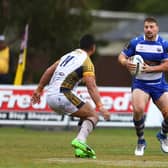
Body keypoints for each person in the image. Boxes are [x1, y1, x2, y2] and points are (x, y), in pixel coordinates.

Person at [31, 34, 110, 159]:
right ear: (93, 48)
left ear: (80, 45)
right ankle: (80, 140)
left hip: (50, 97)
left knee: (85, 114)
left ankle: (80, 150)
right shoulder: (87, 62)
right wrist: (100, 106)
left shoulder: (67, 56)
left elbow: (48, 71)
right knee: (93, 115)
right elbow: (91, 86)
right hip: (63, 95)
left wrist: (39, 89)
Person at [118, 17, 168, 156]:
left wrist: (150, 69)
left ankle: (163, 135)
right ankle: (141, 141)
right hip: (141, 84)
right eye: (146, 27)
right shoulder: (136, 42)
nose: (149, 30)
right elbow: (121, 56)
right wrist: (125, 63)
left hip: (159, 85)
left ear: (157, 28)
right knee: (138, 109)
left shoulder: (164, 44)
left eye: (151, 27)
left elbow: (167, 65)